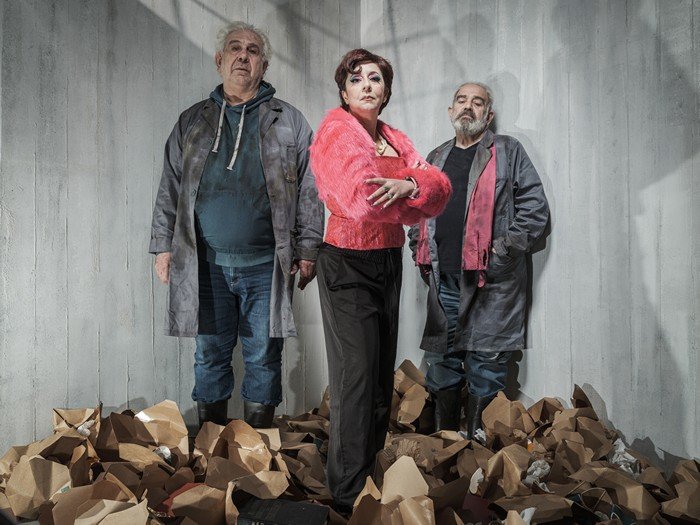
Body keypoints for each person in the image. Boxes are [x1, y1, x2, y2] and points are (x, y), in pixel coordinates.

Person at [149, 22, 323, 429]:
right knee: (210, 354)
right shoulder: (193, 121)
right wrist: (163, 246)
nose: (243, 55)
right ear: (219, 60)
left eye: (253, 50)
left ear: (264, 65)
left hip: (267, 266)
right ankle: (213, 447)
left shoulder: (289, 121)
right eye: (235, 48)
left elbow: (312, 189)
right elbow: (170, 185)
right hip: (205, 264)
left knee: (264, 355)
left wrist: (308, 248)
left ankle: (257, 448)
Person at [309, 48, 452, 511]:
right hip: (346, 263)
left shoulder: (393, 137)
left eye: (375, 78)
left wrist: (411, 186)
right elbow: (362, 200)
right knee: (355, 377)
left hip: (388, 260)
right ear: (343, 91)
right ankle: (346, 494)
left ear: (386, 90)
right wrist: (415, 192)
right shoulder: (335, 131)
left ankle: (367, 475)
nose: (367, 85)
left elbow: (440, 190)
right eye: (356, 79)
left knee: (377, 380)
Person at [408, 82, 549, 436]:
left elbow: (535, 209)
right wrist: (418, 251)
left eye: (477, 102)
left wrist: (501, 253)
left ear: (489, 114)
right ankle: (445, 445)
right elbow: (417, 210)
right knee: (443, 360)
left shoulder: (507, 151)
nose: (468, 106)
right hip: (444, 278)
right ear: (451, 110)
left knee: (487, 362)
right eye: (461, 100)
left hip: (491, 281)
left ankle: (478, 450)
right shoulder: (436, 157)